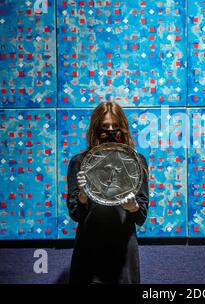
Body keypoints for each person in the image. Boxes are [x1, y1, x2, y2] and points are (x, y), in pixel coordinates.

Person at [66, 102, 149, 284]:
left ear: (123, 128)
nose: (110, 131)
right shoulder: (80, 163)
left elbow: (141, 215)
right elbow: (75, 213)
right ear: (96, 128)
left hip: (123, 250)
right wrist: (82, 195)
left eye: (115, 126)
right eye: (105, 126)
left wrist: (133, 206)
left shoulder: (136, 163)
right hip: (89, 250)